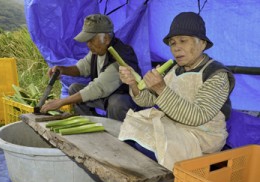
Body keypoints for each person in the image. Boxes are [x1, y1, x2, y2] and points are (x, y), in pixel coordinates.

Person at [118, 12, 235, 171]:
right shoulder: (172, 69)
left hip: (201, 138)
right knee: (129, 133)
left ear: (202, 43)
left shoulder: (216, 74)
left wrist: (161, 88)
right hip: (173, 128)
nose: (176, 47)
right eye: (172, 43)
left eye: (183, 41)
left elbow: (197, 116)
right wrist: (133, 84)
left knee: (145, 149)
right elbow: (146, 100)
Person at [40, 14, 142, 121]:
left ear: (106, 39)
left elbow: (97, 88)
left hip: (124, 100)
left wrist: (61, 102)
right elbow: (82, 67)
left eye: (91, 40)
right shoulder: (98, 50)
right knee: (74, 88)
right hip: (105, 96)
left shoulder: (120, 57)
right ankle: (92, 122)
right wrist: (63, 70)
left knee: (116, 103)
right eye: (87, 41)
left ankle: (118, 134)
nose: (88, 45)